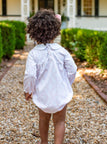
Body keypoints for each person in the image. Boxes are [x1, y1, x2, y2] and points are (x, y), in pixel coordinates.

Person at [24, 9, 77, 144]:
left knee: (43, 119)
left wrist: (28, 90)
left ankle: (44, 142)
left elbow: (30, 75)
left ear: (34, 32)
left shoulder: (33, 54)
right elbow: (73, 69)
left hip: (43, 94)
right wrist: (66, 83)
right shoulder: (62, 51)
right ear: (56, 31)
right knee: (59, 121)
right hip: (60, 92)